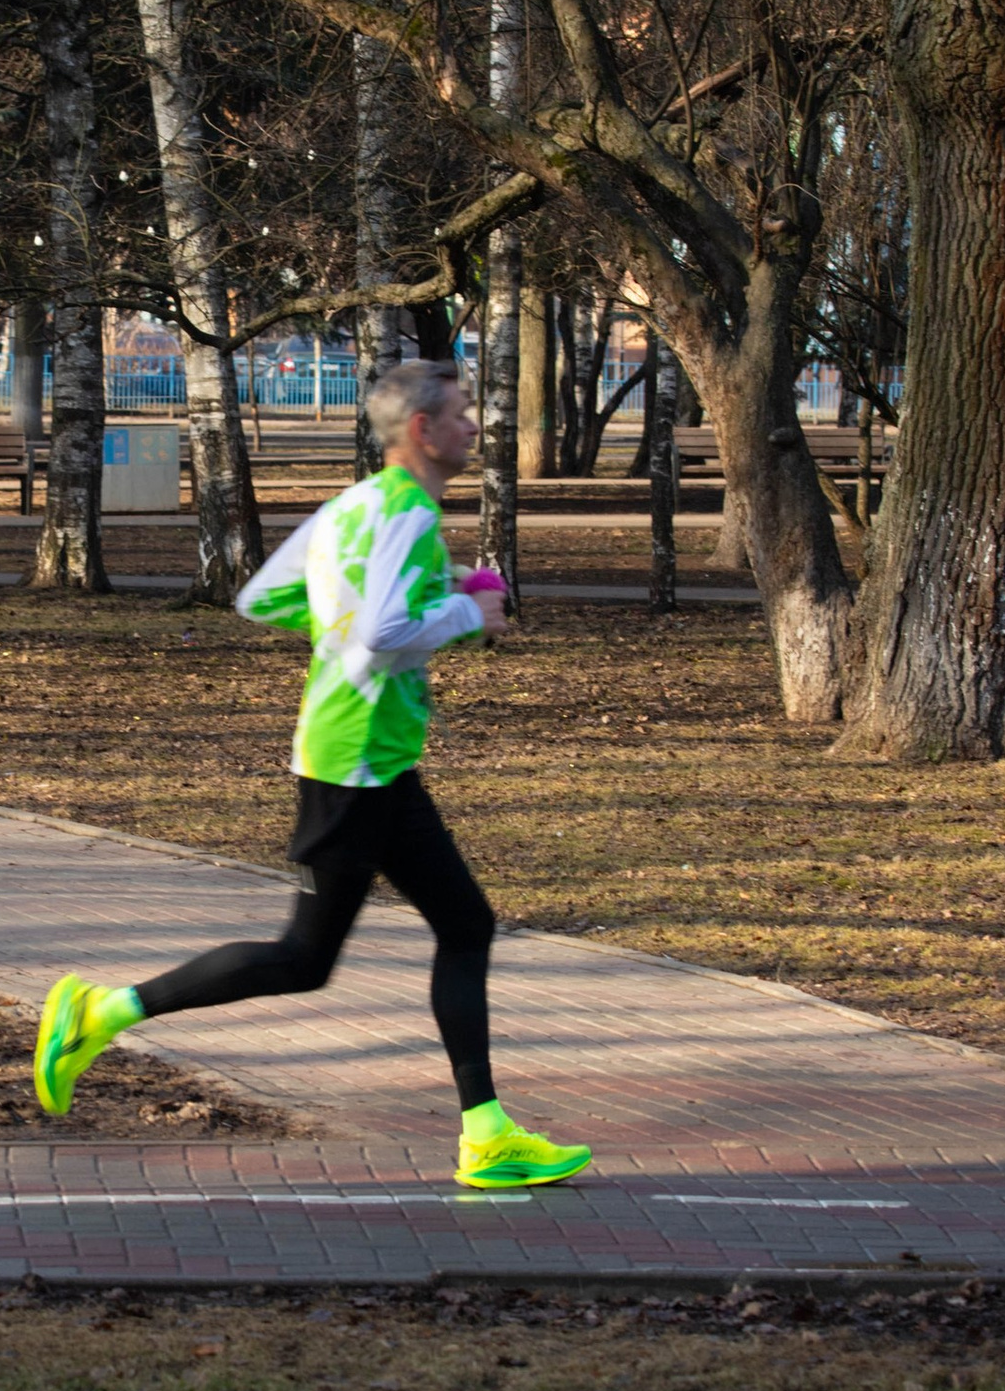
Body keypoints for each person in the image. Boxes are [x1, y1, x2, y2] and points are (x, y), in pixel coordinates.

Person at [35, 358, 592, 1191]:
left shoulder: (354, 506)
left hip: (371, 758)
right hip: (357, 761)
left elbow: (261, 597)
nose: (475, 428)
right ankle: (101, 1011)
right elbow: (377, 637)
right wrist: (462, 613)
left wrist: (372, 623)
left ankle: (487, 1133)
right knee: (306, 957)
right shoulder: (403, 512)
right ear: (422, 431)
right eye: (464, 415)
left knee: (462, 925)